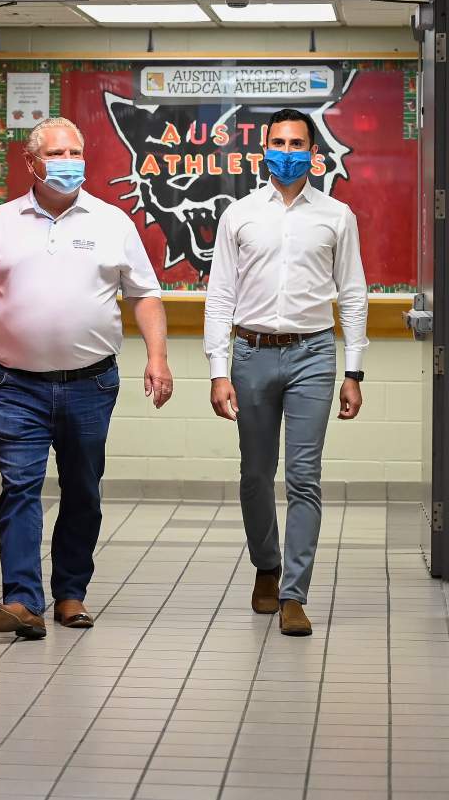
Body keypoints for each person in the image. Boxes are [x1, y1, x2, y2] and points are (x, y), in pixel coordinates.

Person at [0, 116, 172, 639]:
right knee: (20, 487)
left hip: (90, 385)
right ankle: (23, 601)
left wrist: (157, 356)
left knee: (82, 490)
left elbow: (144, 294)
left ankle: (71, 593)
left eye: (77, 151)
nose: (70, 161)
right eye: (58, 153)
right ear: (31, 163)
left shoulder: (112, 222)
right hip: (16, 385)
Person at [204, 107, 367, 637]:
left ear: (314, 154)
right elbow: (220, 296)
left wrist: (355, 371)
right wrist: (217, 369)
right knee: (255, 477)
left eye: (299, 143)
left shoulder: (337, 216)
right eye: (279, 141)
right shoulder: (240, 214)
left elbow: (354, 294)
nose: (289, 152)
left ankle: (295, 594)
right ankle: (266, 568)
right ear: (264, 149)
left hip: (313, 355)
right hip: (250, 354)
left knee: (303, 478)